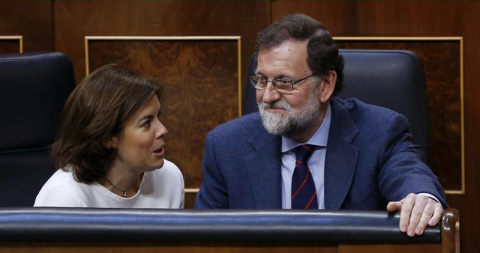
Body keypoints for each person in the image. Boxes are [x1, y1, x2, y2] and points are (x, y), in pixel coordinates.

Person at [195, 14, 447, 237]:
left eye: (284, 82)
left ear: (325, 85)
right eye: (261, 80)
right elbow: (202, 243)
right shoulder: (226, 146)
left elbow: (408, 175)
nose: (267, 96)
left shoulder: (380, 132)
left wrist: (422, 198)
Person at [35, 63, 184, 208]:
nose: (163, 130)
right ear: (108, 138)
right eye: (146, 123)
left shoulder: (170, 178)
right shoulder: (64, 197)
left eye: (159, 116)